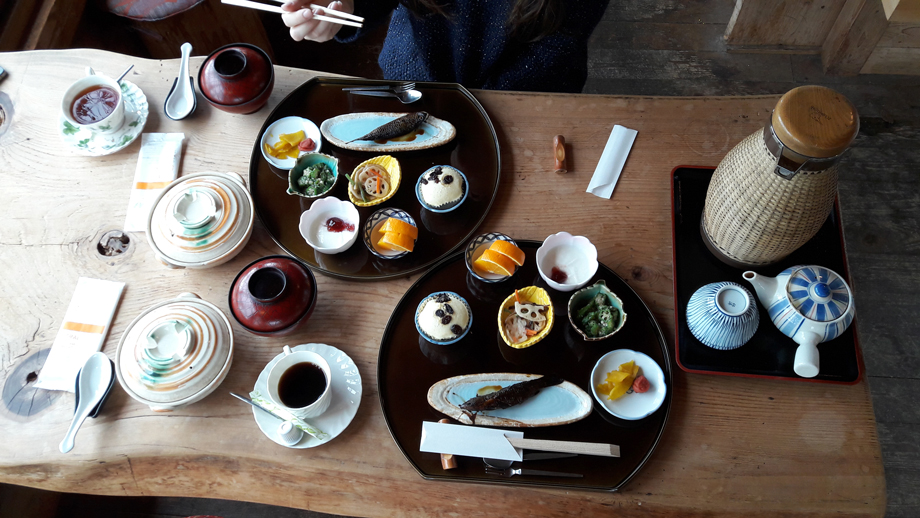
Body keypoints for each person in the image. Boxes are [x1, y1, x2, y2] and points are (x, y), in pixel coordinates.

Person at [281, 0, 610, 93]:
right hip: (413, 71)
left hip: (529, 89)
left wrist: (464, 104)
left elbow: (557, 47)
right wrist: (346, 6)